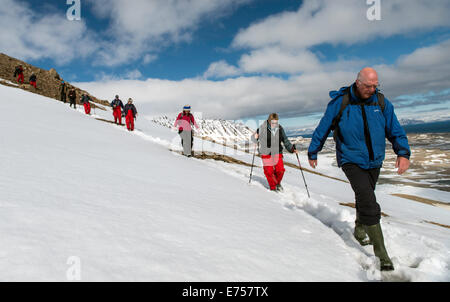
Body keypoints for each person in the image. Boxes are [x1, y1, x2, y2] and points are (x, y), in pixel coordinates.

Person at [307, 67, 411, 271]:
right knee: (369, 201)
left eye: (375, 86)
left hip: (375, 161)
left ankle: (359, 228)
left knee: (365, 196)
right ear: (357, 82)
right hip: (350, 159)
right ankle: (382, 255)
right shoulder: (341, 102)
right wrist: (313, 151)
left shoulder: (381, 102)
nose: (372, 89)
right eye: (368, 86)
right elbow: (323, 127)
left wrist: (403, 153)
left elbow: (395, 129)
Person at [252, 113, 298, 192]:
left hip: (277, 152)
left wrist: (291, 149)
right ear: (269, 121)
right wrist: (255, 137)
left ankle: (277, 183)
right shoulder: (262, 128)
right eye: (273, 122)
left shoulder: (280, 128)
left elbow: (285, 140)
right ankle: (273, 187)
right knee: (269, 171)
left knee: (280, 170)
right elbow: (253, 138)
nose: (274, 124)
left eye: (276, 122)